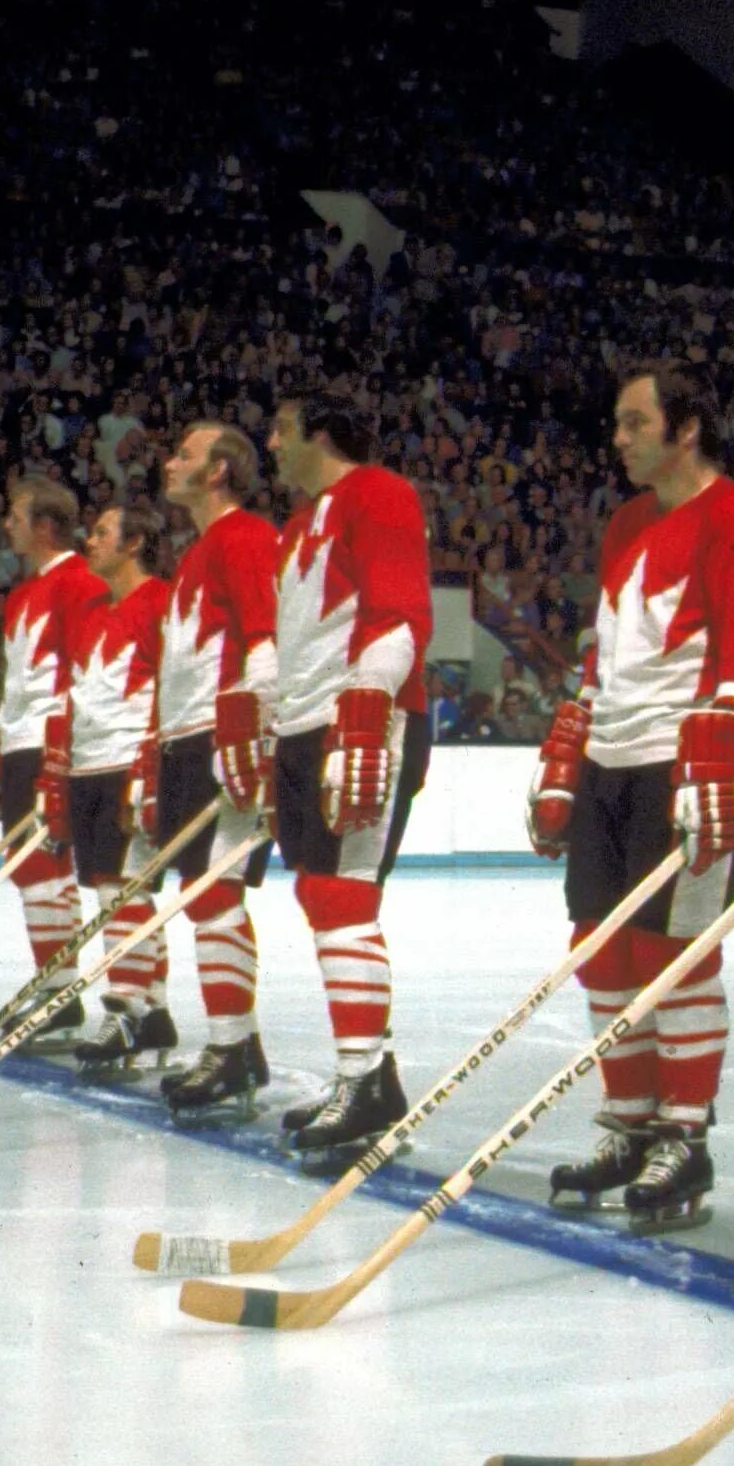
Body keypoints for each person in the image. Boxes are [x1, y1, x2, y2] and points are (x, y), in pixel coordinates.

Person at [533, 363, 734, 1230]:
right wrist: (569, 749)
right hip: (613, 760)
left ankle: (685, 1136)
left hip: (688, 767)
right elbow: (605, 658)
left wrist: (728, 754)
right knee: (599, 948)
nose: (619, 437)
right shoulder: (626, 524)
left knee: (673, 954)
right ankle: (630, 1124)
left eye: (635, 422)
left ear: (686, 429)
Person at [261, 390, 436, 1163]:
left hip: (363, 716)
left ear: (321, 434)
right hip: (306, 723)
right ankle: (369, 1077)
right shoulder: (298, 527)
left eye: (281, 429)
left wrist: (370, 703)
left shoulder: (378, 492)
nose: (270, 443)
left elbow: (399, 610)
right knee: (318, 892)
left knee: (343, 894)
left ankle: (364, 1080)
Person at [145, 422, 284, 1123]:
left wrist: (254, 731)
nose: (171, 462)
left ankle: (230, 1048)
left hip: (221, 737)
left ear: (221, 470)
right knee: (205, 895)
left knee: (215, 892)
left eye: (186, 454)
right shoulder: (198, 549)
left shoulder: (245, 537)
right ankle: (239, 1044)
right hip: (189, 737)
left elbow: (265, 638)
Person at [0, 478, 105, 1048]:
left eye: (18, 516)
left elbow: (86, 668)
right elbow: (16, 681)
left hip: (51, 739)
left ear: (45, 526)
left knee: (47, 865)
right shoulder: (24, 593)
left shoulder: (79, 582)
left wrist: (61, 751)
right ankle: (55, 984)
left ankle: (62, 994)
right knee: (29, 868)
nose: (8, 526)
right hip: (19, 740)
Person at [61, 500, 177, 1068]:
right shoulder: (93, 611)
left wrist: (149, 770)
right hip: (89, 765)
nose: (90, 540)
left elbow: (172, 691)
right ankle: (151, 1011)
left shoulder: (162, 603)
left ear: (134, 543)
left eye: (103, 532)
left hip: (128, 761)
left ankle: (126, 1009)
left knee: (123, 890)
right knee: (118, 890)